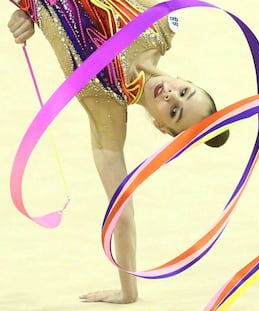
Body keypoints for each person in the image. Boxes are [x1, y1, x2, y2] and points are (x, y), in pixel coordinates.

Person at [7, 0, 229, 304]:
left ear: (163, 127)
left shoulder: (107, 106)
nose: (170, 94)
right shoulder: (161, 24)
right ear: (187, 80)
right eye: (184, 91)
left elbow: (122, 213)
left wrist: (128, 291)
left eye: (174, 111)